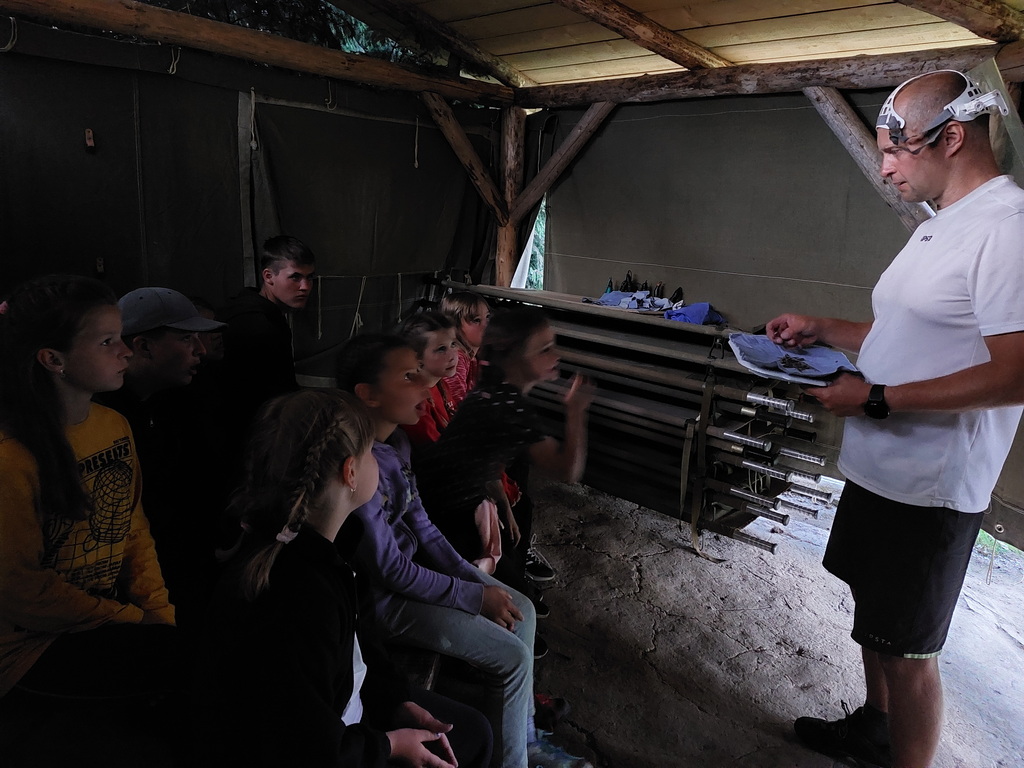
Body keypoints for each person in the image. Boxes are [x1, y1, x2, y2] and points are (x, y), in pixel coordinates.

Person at [765, 70, 1024, 768]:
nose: (884, 168)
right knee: (876, 620)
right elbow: (907, 332)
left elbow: (1016, 374)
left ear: (952, 137)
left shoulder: (1008, 229)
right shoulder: (942, 224)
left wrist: (876, 398)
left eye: (895, 150)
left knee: (910, 652)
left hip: (929, 489)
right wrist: (825, 329)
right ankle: (873, 728)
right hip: (881, 465)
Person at [335, 333, 591, 768]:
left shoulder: (397, 447)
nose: (425, 385)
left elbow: (424, 528)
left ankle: (524, 737)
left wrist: (476, 582)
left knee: (523, 608)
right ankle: (514, 758)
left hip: (408, 582)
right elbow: (389, 569)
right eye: (409, 377)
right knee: (511, 656)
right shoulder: (359, 464)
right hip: (383, 604)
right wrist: (473, 595)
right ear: (368, 394)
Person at [200, 388, 491, 768]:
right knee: (471, 742)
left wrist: (395, 702)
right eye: (371, 452)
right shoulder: (299, 596)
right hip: (332, 748)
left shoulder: (331, 547)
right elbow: (305, 743)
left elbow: (362, 643)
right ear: (350, 472)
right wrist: (389, 746)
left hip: (348, 723)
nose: (378, 460)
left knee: (475, 732)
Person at [0, 275, 178, 702]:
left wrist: (159, 612)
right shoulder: (10, 455)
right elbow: (19, 587)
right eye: (106, 342)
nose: (126, 350)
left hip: (103, 617)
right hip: (27, 645)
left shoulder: (113, 425)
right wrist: (130, 618)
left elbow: (132, 530)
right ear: (53, 359)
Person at [414, 308, 592, 625]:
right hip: (449, 516)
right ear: (513, 355)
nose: (556, 355)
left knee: (512, 551)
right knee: (507, 599)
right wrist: (576, 411)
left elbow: (481, 458)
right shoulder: (510, 406)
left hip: (451, 501)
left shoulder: (492, 390)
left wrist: (501, 504)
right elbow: (568, 470)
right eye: (544, 349)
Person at [95, 286, 226, 627]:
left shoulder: (184, 399)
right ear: (143, 346)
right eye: (186, 339)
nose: (201, 350)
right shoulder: (99, 417)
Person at [216, 235, 316, 475]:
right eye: (295, 277)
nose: (305, 286)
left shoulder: (259, 313)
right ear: (269, 277)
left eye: (310, 277)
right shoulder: (256, 326)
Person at [438, 291, 491, 407]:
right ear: (455, 327)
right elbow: (459, 406)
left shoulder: (473, 356)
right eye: (477, 320)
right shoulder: (457, 359)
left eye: (487, 317)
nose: (486, 324)